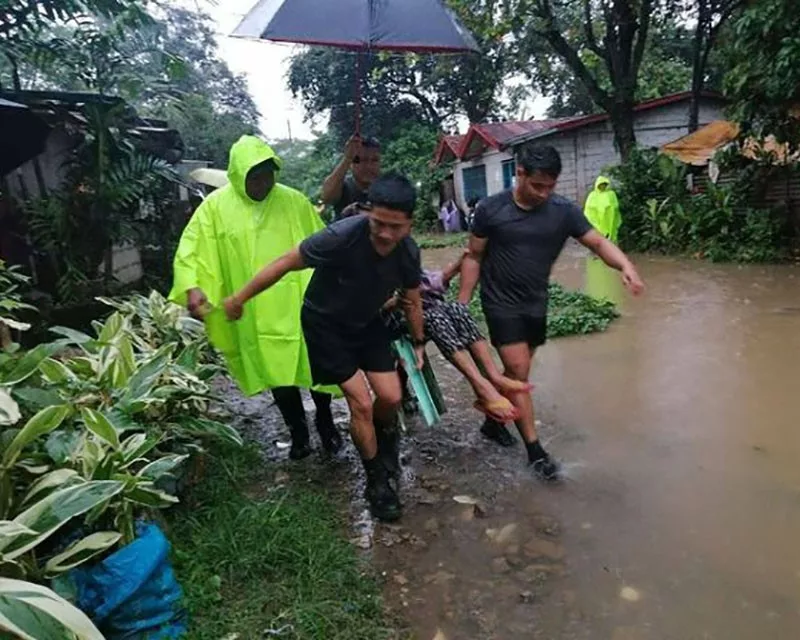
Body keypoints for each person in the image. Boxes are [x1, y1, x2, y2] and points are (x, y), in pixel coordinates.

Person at [223, 173, 426, 523]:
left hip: (368, 323)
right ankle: (376, 481)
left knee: (391, 396)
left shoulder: (408, 253)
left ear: (410, 223)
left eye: (396, 227)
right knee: (361, 402)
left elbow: (412, 300)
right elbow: (284, 262)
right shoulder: (340, 237)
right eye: (378, 223)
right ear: (367, 212)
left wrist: (419, 343)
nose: (385, 234)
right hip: (326, 326)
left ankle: (385, 443)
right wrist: (240, 297)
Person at [457, 145, 645, 480]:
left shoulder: (563, 211)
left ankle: (492, 422)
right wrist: (462, 303)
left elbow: (598, 243)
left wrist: (625, 266)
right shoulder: (490, 209)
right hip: (499, 301)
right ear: (520, 174)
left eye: (550, 186)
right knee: (519, 370)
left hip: (536, 302)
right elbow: (473, 255)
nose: (544, 193)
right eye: (537, 185)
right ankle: (535, 452)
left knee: (515, 371)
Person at [169, 135, 342, 461]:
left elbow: (325, 242)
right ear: (238, 175)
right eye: (254, 176)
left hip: (300, 301)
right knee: (276, 371)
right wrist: (193, 287)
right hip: (252, 308)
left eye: (267, 175)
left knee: (315, 364)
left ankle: (326, 421)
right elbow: (191, 250)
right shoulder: (214, 209)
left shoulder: (293, 201)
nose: (262, 183)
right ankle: (298, 432)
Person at [382, 251, 528, 422]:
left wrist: (460, 263)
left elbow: (432, 282)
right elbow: (371, 310)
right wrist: (396, 302)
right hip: (392, 321)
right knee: (435, 318)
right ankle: (482, 387)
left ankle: (494, 376)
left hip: (423, 315)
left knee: (458, 310)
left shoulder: (404, 261)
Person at [583, 175, 625, 305]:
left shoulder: (611, 195)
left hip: (610, 228)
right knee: (595, 255)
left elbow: (615, 211)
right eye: (601, 185)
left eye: (605, 185)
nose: (603, 187)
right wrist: (596, 229)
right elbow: (589, 214)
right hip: (597, 229)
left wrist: (614, 226)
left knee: (612, 250)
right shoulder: (592, 197)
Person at [321, 134, 381, 221]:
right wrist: (348, 158)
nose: (369, 166)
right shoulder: (343, 185)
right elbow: (327, 197)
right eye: (363, 160)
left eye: (375, 160)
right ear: (351, 164)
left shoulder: (387, 187)